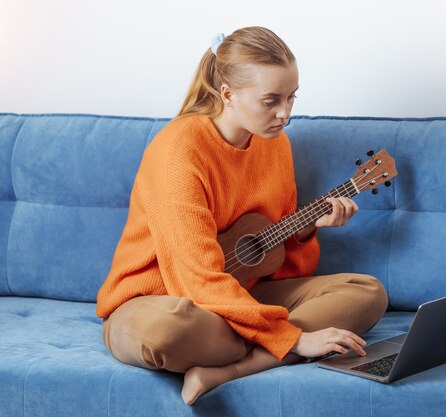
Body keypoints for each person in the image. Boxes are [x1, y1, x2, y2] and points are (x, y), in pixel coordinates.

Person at [96, 26, 388, 406]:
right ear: (228, 94)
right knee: (167, 330)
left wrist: (305, 232)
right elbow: (195, 277)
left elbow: (272, 248)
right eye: (271, 101)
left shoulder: (274, 144)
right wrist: (295, 338)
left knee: (366, 292)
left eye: (291, 98)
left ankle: (232, 367)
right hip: (163, 298)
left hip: (240, 292)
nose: (285, 114)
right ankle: (270, 346)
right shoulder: (177, 153)